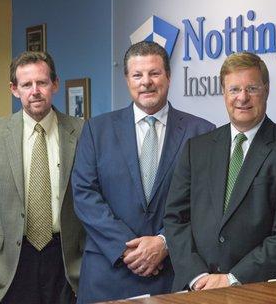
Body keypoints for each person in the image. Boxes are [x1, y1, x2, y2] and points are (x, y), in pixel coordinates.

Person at [72, 41, 215, 303]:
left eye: (154, 73)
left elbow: (206, 202)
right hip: (109, 270)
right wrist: (127, 248)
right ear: (127, 80)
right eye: (137, 75)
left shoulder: (202, 132)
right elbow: (84, 195)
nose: (146, 82)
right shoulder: (96, 130)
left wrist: (163, 241)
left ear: (169, 77)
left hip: (171, 273)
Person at [164, 52, 276, 291]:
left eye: (252, 88)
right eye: (234, 89)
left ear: (266, 90)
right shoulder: (197, 148)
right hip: (194, 289)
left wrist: (232, 278)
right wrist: (196, 276)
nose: (242, 98)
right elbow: (175, 218)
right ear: (223, 93)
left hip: (258, 289)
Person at [0, 51, 85, 304]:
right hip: (8, 264)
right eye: (26, 84)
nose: (35, 91)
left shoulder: (81, 131)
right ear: (14, 89)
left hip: (64, 262)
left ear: (55, 84)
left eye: (42, 82)